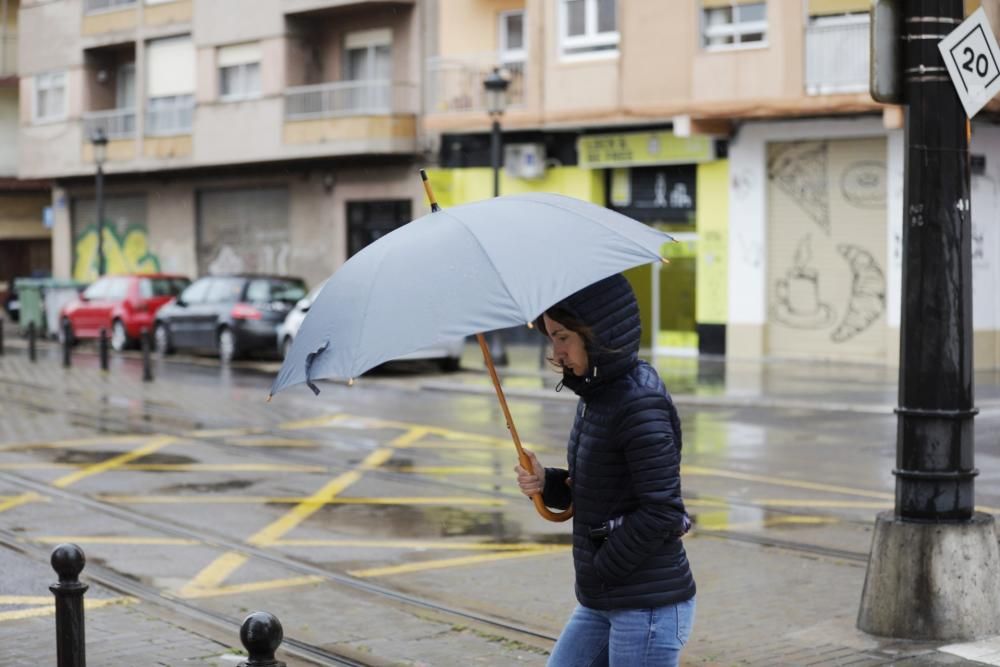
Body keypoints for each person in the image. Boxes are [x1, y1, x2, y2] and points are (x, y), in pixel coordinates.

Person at [515, 273, 695, 667]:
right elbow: (598, 488)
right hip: (606, 598)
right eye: (550, 337)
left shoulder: (638, 402)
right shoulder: (598, 394)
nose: (556, 351)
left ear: (597, 334)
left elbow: (663, 511)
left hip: (645, 607)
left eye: (563, 336)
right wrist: (547, 482)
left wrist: (603, 567)